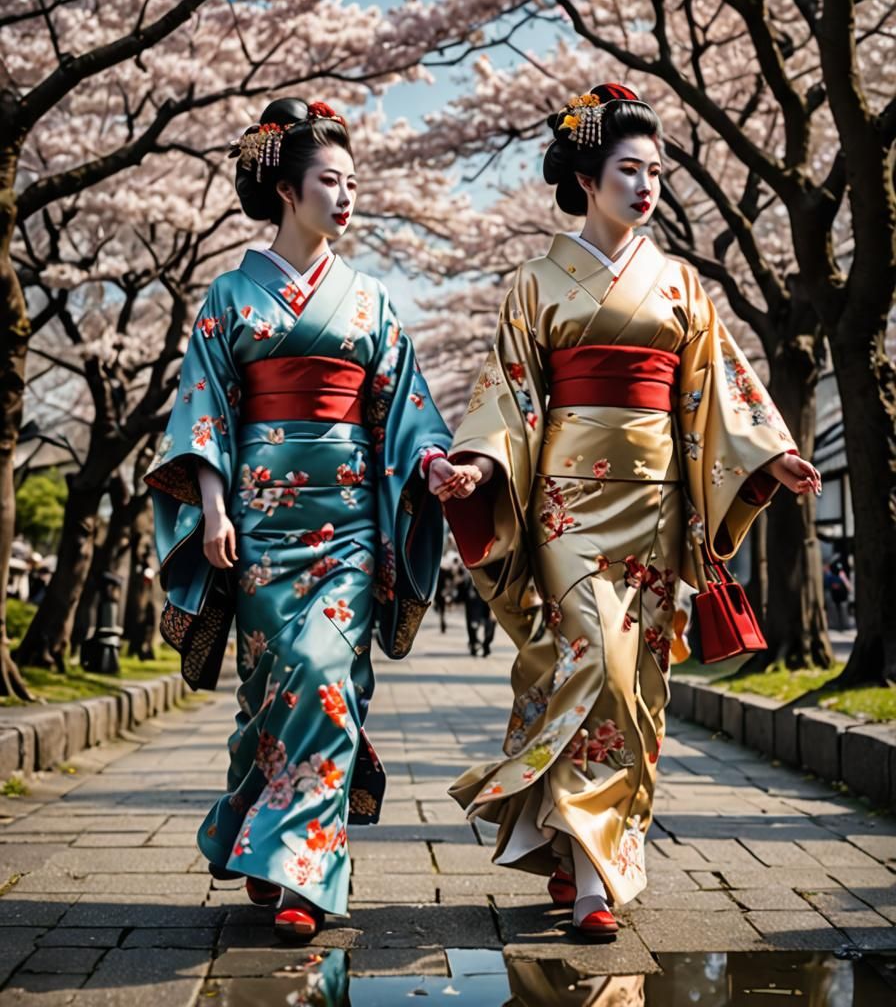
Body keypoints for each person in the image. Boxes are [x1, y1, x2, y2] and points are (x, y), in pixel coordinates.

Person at [442, 83, 821, 939]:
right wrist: (475, 466)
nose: (647, 185)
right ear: (585, 173)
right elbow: (510, 399)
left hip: (653, 508)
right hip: (567, 511)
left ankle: (582, 855)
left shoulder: (681, 282)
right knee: (594, 667)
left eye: (656, 171)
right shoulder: (535, 284)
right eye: (628, 168)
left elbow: (716, 393)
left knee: (637, 686)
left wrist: (767, 452)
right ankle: (589, 878)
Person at [145, 98, 464, 939]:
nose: (348, 197)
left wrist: (431, 463)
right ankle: (256, 832)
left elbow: (406, 410)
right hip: (256, 524)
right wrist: (212, 504)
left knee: (326, 682)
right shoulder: (227, 296)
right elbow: (202, 410)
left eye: (355, 183)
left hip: (351, 526)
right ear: (288, 190)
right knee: (270, 690)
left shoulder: (371, 302)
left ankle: (303, 877)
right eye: (331, 181)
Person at [462, 574, 496, 657]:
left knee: (490, 626)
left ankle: (485, 645)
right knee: (473, 625)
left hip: (488, 600)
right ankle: (474, 643)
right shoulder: (469, 582)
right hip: (474, 603)